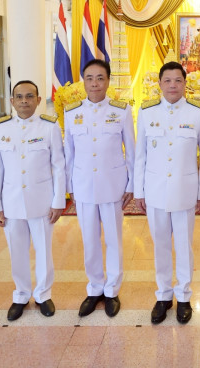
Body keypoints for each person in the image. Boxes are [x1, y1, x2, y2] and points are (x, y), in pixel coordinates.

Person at [135, 61, 200, 325]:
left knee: (183, 245)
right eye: (167, 80)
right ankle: (164, 295)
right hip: (155, 191)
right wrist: (139, 191)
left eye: (178, 80)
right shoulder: (146, 112)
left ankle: (184, 296)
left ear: (185, 83)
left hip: (184, 190)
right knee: (160, 245)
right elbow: (140, 155)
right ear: (159, 83)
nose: (172, 85)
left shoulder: (198, 112)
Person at [64, 60, 135, 318]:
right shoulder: (71, 112)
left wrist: (132, 184)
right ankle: (94, 288)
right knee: (90, 240)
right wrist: (69, 187)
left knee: (114, 239)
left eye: (100, 78)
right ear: (83, 81)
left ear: (108, 81)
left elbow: (131, 150)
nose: (95, 83)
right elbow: (68, 152)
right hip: (83, 186)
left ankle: (112, 290)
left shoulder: (121, 110)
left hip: (113, 185)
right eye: (90, 78)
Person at [0, 80, 65, 321]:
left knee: (44, 250)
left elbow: (58, 166)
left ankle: (43, 294)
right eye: (19, 97)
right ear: (12, 101)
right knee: (17, 251)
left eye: (30, 96)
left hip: (41, 201)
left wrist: (58, 201)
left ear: (38, 100)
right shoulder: (1, 128)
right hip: (11, 202)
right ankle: (21, 294)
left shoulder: (49, 127)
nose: (24, 101)